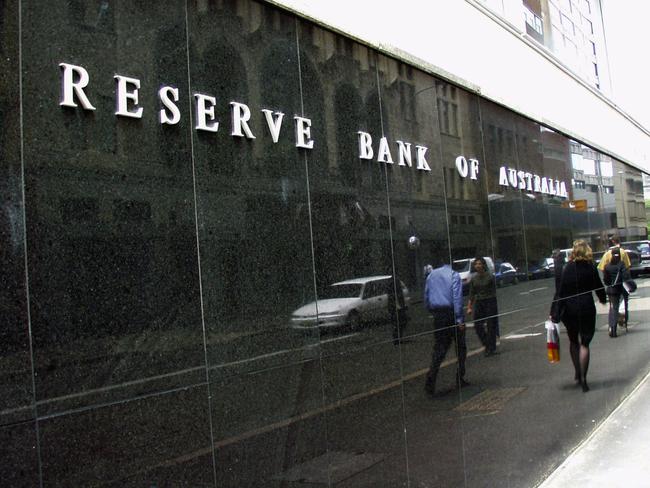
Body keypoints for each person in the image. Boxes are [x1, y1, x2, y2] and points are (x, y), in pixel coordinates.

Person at [552, 240, 606, 393]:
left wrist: (556, 311)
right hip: (586, 307)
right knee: (585, 343)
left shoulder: (567, 268)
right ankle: (584, 377)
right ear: (587, 251)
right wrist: (603, 299)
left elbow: (560, 291)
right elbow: (599, 287)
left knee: (573, 341)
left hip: (569, 310)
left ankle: (577, 372)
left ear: (574, 252)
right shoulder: (590, 267)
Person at [423, 261, 468, 396]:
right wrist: (459, 319)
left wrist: (432, 311)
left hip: (438, 315)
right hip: (451, 314)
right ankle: (460, 377)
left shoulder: (431, 276)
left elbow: (426, 296)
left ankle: (430, 381)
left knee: (439, 349)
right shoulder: (454, 275)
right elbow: (457, 297)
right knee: (460, 347)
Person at [467, 257, 499, 356]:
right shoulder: (474, 278)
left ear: (483, 265)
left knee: (491, 326)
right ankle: (487, 344)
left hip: (490, 301)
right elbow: (471, 294)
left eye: (480, 264)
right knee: (477, 325)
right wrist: (469, 307)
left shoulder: (490, 276)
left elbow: (494, 291)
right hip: (479, 302)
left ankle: (491, 348)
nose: (478, 266)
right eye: (476, 264)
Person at [602, 247, 630, 338]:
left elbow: (605, 280)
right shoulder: (621, 264)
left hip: (611, 290)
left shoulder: (607, 266)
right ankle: (621, 323)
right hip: (620, 289)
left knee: (613, 308)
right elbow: (626, 276)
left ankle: (612, 327)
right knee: (622, 305)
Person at [387, 276, 408, 345]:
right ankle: (397, 339)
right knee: (398, 324)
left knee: (398, 324)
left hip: (397, 308)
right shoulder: (395, 286)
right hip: (396, 308)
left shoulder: (393, 286)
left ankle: (398, 338)